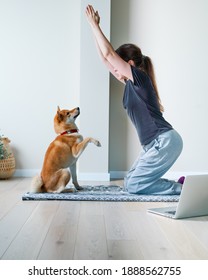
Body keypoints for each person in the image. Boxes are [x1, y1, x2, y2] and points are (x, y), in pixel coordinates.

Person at [85, 5, 184, 195]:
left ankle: (182, 189)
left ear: (129, 64)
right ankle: (178, 183)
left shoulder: (139, 78)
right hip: (152, 146)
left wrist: (94, 25)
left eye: (118, 65)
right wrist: (93, 26)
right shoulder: (131, 84)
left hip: (164, 142)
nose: (114, 69)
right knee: (129, 180)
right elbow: (106, 60)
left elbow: (109, 55)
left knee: (133, 186)